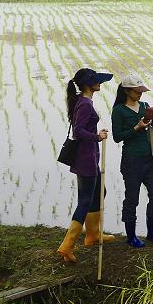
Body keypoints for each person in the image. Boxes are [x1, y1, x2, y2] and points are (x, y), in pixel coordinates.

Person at [58, 68, 115, 263]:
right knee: (84, 201)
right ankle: (67, 246)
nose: (100, 83)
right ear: (88, 84)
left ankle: (93, 235)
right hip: (85, 160)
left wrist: (96, 133)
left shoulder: (84, 102)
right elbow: (78, 131)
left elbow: (83, 128)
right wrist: (97, 136)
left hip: (89, 157)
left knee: (101, 191)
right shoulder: (84, 104)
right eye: (97, 81)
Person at [111, 74, 153, 247]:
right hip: (131, 160)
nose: (140, 94)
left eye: (141, 91)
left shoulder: (145, 106)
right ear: (127, 91)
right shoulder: (119, 110)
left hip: (150, 159)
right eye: (137, 92)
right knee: (132, 199)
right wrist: (136, 128)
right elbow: (117, 137)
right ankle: (131, 237)